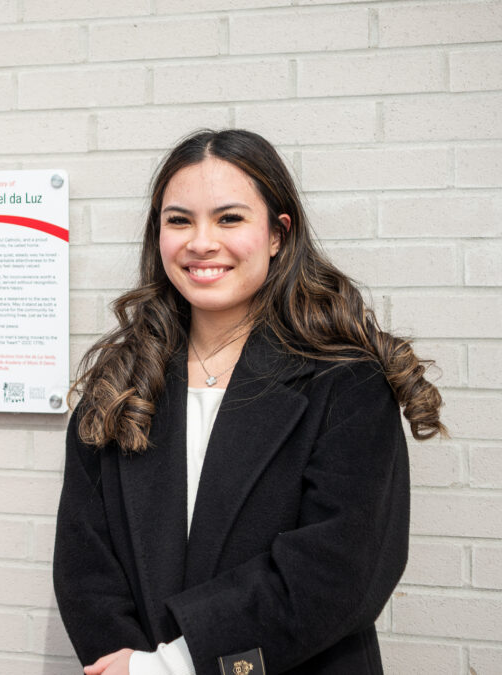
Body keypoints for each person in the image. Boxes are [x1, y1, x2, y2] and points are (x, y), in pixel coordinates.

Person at [53, 129, 444, 675]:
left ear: (278, 234)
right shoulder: (122, 381)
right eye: (179, 220)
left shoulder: (344, 381)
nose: (201, 242)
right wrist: (127, 665)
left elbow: (339, 569)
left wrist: (172, 667)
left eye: (229, 219)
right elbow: (84, 564)